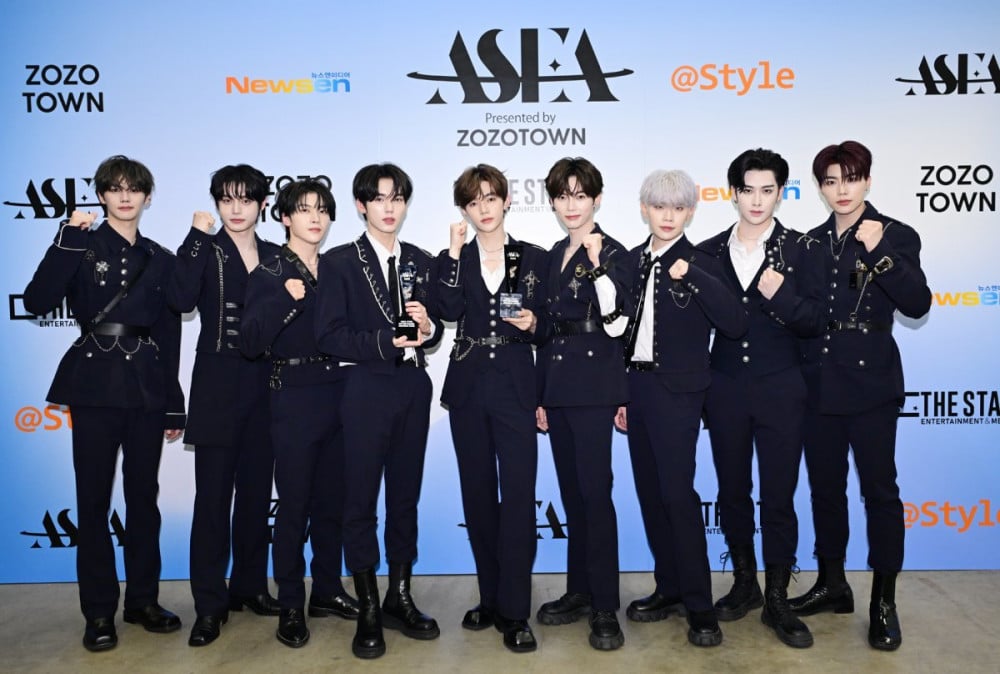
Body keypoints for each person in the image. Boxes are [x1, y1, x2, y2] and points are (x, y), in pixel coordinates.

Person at [23, 155, 185, 652]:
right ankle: (98, 612)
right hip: (93, 387)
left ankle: (142, 601)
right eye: (115, 188)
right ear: (101, 196)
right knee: (93, 502)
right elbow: (36, 300)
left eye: (134, 188)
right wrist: (68, 237)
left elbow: (169, 333)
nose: (124, 196)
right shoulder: (81, 244)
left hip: (147, 389)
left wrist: (174, 401)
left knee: (143, 500)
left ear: (148, 197)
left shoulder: (161, 258)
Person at [790, 141, 931, 651]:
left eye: (850, 178)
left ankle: (884, 601)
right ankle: (833, 584)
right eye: (830, 181)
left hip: (871, 384)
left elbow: (917, 303)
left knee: (880, 492)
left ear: (867, 180)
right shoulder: (808, 244)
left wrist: (881, 253)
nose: (841, 190)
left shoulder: (895, 233)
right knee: (825, 490)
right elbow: (802, 313)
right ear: (820, 188)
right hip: (817, 383)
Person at [697, 149, 825, 648]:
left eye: (767, 190)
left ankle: (777, 597)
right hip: (725, 387)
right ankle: (745, 582)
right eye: (748, 190)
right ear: (734, 194)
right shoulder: (707, 252)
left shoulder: (803, 248)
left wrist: (782, 296)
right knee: (732, 490)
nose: (757, 200)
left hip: (781, 388)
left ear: (781, 193)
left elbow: (816, 321)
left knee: (778, 495)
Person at [314, 163, 443, 659]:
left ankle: (399, 596)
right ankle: (368, 605)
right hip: (364, 386)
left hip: (412, 385)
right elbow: (328, 335)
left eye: (397, 198)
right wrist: (383, 341)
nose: (389, 208)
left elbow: (432, 328)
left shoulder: (421, 261)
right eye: (379, 199)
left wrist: (428, 328)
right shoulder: (340, 262)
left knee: (405, 497)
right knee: (361, 499)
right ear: (361, 205)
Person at [613, 169, 746, 648]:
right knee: (651, 495)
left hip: (680, 395)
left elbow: (734, 322)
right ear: (644, 209)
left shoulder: (704, 260)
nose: (667, 216)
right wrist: (619, 394)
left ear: (690, 211)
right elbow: (619, 332)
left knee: (677, 496)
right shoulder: (629, 260)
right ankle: (668, 586)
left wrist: (692, 275)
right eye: (659, 206)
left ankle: (700, 605)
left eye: (677, 208)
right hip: (636, 389)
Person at [167, 164, 285, 647]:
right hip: (217, 385)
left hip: (267, 386)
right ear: (216, 204)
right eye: (227, 200)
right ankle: (209, 605)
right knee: (213, 501)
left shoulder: (277, 255)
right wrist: (196, 236)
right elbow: (179, 298)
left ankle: (250, 587)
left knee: (256, 497)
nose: (236, 209)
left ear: (262, 205)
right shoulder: (206, 248)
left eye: (246, 199)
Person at [240, 179, 358, 649]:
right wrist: (285, 300)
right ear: (285, 217)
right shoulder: (268, 272)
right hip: (292, 394)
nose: (315, 218)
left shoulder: (338, 269)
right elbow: (251, 342)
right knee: (293, 506)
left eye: (322, 210)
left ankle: (327, 589)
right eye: (305, 209)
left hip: (339, 391)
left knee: (333, 501)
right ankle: (291, 601)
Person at [436, 164, 547, 653]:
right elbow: (446, 310)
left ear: (506, 200)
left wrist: (534, 322)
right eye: (473, 201)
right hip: (468, 387)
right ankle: (491, 598)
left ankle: (516, 611)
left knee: (519, 498)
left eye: (490, 198)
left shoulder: (534, 257)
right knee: (478, 497)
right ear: (464, 209)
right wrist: (453, 253)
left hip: (517, 387)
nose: (483, 208)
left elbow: (551, 328)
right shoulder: (452, 258)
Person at [532, 157, 628, 651]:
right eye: (562, 196)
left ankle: (605, 604)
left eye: (580, 195)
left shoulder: (613, 251)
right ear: (553, 201)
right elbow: (547, 330)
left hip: (594, 387)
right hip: (558, 386)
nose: (571, 205)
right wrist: (540, 395)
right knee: (572, 496)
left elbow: (620, 324)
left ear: (597, 199)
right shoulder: (552, 254)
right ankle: (580, 589)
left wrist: (620, 394)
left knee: (595, 494)